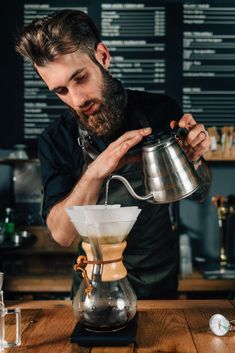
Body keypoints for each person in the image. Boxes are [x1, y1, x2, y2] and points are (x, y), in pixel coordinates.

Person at [15, 9, 211, 299]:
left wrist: (193, 157)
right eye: (61, 91)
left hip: (157, 279)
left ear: (103, 56)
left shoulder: (160, 112)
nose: (77, 99)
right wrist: (96, 172)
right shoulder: (55, 139)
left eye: (80, 78)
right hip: (94, 285)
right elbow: (62, 234)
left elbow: (200, 192)